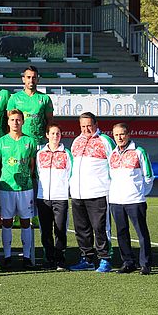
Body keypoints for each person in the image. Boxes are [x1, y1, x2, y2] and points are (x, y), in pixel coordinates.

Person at [69, 112, 115, 273]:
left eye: (89, 125)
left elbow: (115, 164)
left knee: (101, 228)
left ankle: (105, 258)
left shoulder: (105, 141)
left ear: (96, 124)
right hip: (78, 193)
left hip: (99, 192)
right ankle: (87, 258)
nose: (86, 129)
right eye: (83, 126)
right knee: (82, 229)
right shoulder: (76, 141)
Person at [109, 123, 154, 275]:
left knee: (141, 233)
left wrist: (140, 193)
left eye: (122, 134)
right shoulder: (112, 154)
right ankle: (128, 262)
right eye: (116, 135)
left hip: (135, 200)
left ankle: (145, 264)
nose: (119, 137)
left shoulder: (139, 151)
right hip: (116, 200)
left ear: (128, 134)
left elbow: (148, 176)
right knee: (121, 233)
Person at [0, 109, 36, 269]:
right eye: (12, 120)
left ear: (23, 122)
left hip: (25, 189)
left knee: (26, 222)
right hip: (6, 187)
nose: (15, 123)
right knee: (6, 222)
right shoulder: (0, 142)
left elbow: (32, 165)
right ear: (8, 122)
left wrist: (26, 178)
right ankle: (8, 256)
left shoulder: (29, 142)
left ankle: (26, 257)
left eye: (18, 120)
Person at [35, 123, 72, 271]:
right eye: (52, 133)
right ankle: (49, 258)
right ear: (47, 135)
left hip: (60, 197)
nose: (55, 136)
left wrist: (65, 190)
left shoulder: (66, 153)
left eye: (58, 133)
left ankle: (60, 259)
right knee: (45, 229)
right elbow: (38, 173)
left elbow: (70, 174)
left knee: (60, 228)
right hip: (43, 197)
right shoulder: (40, 154)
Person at [6, 66, 53, 147]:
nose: (31, 80)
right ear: (23, 79)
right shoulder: (14, 98)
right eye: (28, 77)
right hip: (20, 142)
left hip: (39, 142)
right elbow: (9, 121)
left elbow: (49, 121)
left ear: (38, 79)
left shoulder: (45, 98)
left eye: (34, 77)